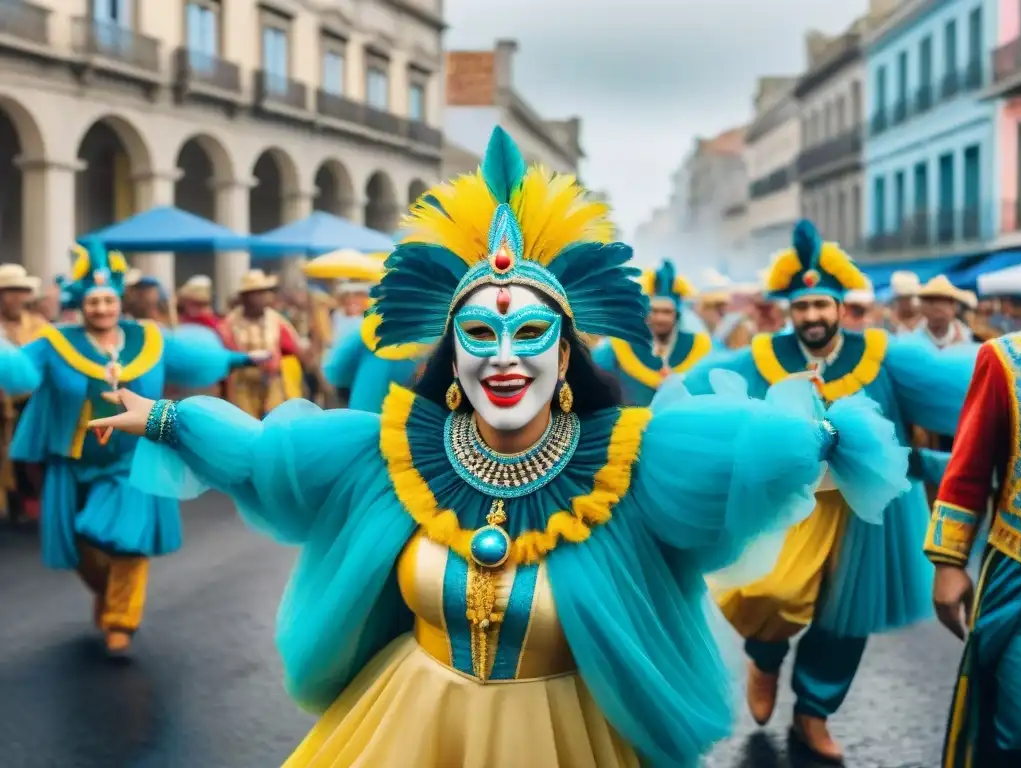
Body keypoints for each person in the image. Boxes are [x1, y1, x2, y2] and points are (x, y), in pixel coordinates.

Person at [89, 127, 909, 767]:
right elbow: (270, 457)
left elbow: (736, 458)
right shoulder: (394, 455)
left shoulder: (629, 460)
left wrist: (826, 439)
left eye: (530, 333)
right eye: (480, 332)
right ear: (451, 356)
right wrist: (166, 420)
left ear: (564, 355)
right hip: (411, 724)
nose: (505, 355)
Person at [682, 219, 978, 763]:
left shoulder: (884, 354)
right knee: (768, 593)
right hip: (788, 508)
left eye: (822, 305)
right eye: (803, 307)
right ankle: (764, 655)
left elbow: (963, 390)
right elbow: (707, 399)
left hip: (865, 514)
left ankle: (814, 712)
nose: (813, 316)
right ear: (789, 310)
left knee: (847, 621)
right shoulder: (763, 357)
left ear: (841, 306)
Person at [0, 241, 266, 655]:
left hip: (133, 460)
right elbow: (18, 372)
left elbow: (193, 362)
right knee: (80, 545)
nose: (102, 308)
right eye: (94, 301)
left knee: (127, 538)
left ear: (119, 302)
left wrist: (243, 359)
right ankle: (110, 597)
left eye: (109, 300)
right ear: (80, 305)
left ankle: (121, 621)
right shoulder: (55, 342)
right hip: (73, 463)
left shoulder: (148, 338)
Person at [927, 326, 1021, 766]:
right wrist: (949, 560)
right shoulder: (1005, 359)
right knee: (1015, 723)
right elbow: (970, 465)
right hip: (1019, 569)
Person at [591, 260, 712, 405]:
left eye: (667, 312)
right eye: (654, 311)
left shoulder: (696, 346)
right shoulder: (621, 345)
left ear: (677, 314)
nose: (660, 318)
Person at [218, 269, 305, 418]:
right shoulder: (229, 324)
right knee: (245, 425)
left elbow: (293, 349)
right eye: (255, 294)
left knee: (274, 423)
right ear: (244, 297)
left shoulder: (277, 321)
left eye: (263, 293)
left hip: (272, 384)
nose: (261, 298)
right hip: (242, 385)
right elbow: (223, 356)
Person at [0, 264, 45, 525]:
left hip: (31, 403)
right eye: (11, 291)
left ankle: (31, 501)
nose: (18, 297)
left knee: (31, 456)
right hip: (3, 406)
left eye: (22, 291)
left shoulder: (38, 326)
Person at [917, 275, 975, 349]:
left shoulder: (965, 335)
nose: (938, 307)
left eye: (944, 303)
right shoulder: (914, 336)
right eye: (931, 301)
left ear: (955, 307)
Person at [883, 270, 923, 334]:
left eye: (909, 297)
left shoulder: (926, 318)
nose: (907, 302)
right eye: (903, 298)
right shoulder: (888, 320)